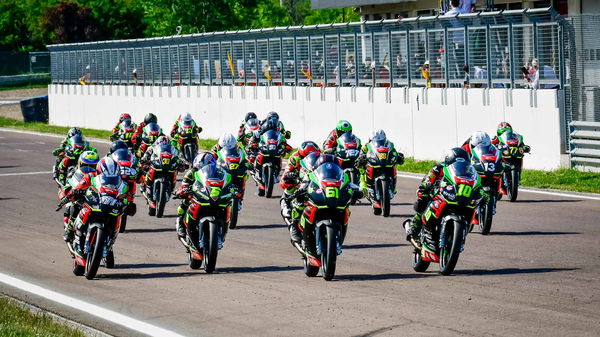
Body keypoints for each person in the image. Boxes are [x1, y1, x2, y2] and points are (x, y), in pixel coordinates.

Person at [404, 147, 470, 242]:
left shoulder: (468, 172)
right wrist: (426, 186)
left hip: (456, 197)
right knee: (423, 201)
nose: (458, 166)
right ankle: (414, 226)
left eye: (461, 164)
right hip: (438, 194)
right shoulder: (439, 168)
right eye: (455, 163)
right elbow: (428, 178)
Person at [280, 141, 321, 243]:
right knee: (292, 187)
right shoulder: (295, 158)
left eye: (312, 156)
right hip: (300, 180)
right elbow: (285, 174)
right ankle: (293, 224)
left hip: (314, 181)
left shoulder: (321, 159)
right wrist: (289, 177)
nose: (309, 159)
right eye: (306, 156)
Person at [173, 151, 217, 238]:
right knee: (185, 202)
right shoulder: (192, 172)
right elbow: (185, 183)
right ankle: (181, 224)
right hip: (196, 195)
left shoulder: (216, 172)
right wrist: (185, 189)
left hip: (211, 195)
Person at [60, 151, 99, 242]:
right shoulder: (73, 172)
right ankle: (69, 231)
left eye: (93, 166)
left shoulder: (99, 175)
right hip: (78, 197)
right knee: (75, 205)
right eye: (86, 166)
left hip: (93, 197)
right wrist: (67, 193)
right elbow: (66, 186)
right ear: (80, 163)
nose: (89, 169)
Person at [357, 130, 404, 203]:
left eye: (381, 139)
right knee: (362, 170)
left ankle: (393, 187)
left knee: (394, 166)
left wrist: (398, 156)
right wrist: (361, 158)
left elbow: (393, 151)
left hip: (384, 163)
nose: (379, 141)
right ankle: (364, 186)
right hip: (371, 163)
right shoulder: (366, 146)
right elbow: (361, 154)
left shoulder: (389, 144)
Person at [138, 135, 184, 201]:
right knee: (145, 167)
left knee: (176, 169)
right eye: (162, 142)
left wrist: (182, 162)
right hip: (156, 165)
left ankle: (170, 188)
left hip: (167, 167)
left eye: (165, 142)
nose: (163, 143)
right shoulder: (152, 147)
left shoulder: (173, 149)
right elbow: (146, 155)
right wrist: (143, 159)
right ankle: (144, 184)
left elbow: (179, 156)